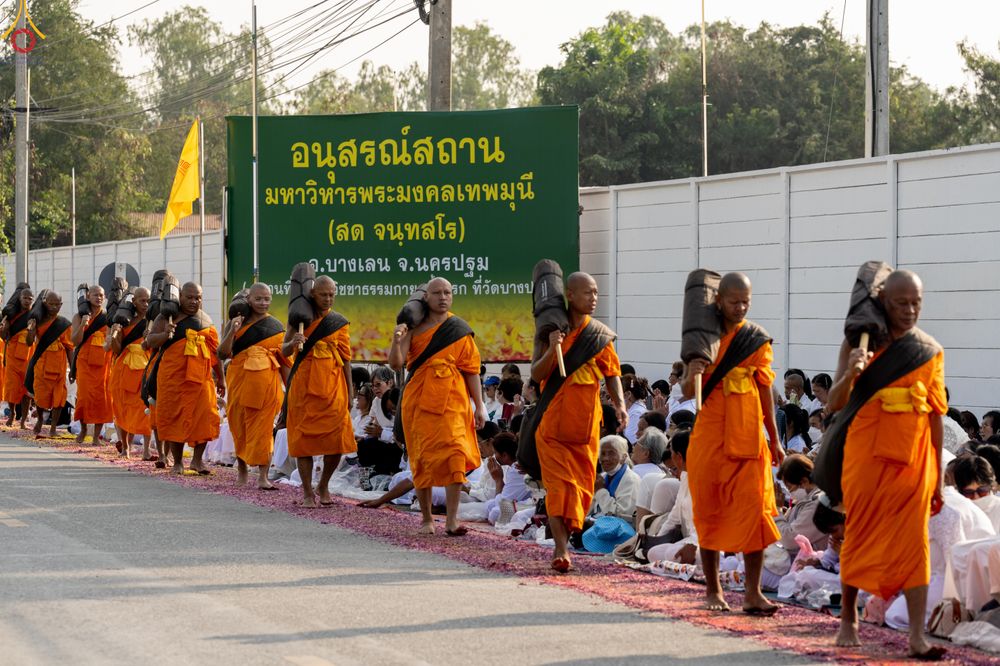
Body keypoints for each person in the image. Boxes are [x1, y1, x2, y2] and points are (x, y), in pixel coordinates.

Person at [826, 270, 947, 660]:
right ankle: (849, 618)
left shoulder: (929, 350)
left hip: (914, 464)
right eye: (901, 303)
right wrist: (851, 373)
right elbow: (834, 404)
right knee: (858, 532)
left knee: (915, 546)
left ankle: (916, 637)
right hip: (866, 460)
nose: (910, 311)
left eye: (917, 303)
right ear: (882, 302)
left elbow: (935, 416)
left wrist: (938, 481)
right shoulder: (859, 342)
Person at [683, 271, 784, 615]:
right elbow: (685, 390)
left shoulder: (755, 339)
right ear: (718, 301)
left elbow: (765, 389)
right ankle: (713, 589)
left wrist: (776, 438)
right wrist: (693, 370)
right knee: (709, 513)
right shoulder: (703, 337)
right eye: (734, 301)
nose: (740, 307)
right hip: (710, 441)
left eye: (746, 301)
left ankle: (753, 593)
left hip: (749, 440)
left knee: (755, 516)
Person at [526, 272, 628, 573]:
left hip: (585, 427)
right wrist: (553, 344)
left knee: (581, 492)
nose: (593, 298)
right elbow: (537, 373)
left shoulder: (599, 335)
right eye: (588, 293)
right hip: (553, 427)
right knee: (559, 489)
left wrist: (620, 404)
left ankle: (565, 541)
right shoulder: (550, 330)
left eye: (596, 293)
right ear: (570, 294)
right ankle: (561, 550)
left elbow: (612, 374)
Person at [390, 277, 485, 536]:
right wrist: (396, 340)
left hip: (453, 402)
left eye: (448, 292)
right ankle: (427, 519)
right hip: (419, 402)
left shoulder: (459, 328)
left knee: (455, 455)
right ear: (426, 298)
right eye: (437, 293)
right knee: (422, 458)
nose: (443, 297)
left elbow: (471, 371)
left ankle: (452, 520)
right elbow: (396, 364)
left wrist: (480, 406)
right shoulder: (414, 328)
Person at [281, 276, 354, 508]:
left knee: (337, 442)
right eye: (324, 294)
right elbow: (282, 351)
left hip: (334, 389)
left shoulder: (339, 322)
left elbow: (346, 360)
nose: (328, 298)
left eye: (332, 294)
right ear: (313, 294)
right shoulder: (299, 318)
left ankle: (323, 484)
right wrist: (293, 343)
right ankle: (306, 493)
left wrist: (350, 392)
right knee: (304, 442)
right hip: (304, 389)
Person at [146, 282, 225, 475]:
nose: (193, 301)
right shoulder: (166, 317)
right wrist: (166, 333)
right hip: (173, 378)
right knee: (175, 418)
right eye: (189, 297)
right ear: (179, 296)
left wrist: (221, 379)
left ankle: (197, 461)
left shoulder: (205, 320)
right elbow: (149, 341)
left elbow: (215, 353)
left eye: (197, 297)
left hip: (202, 378)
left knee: (206, 417)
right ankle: (178, 462)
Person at [218, 283, 288, 491]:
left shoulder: (275, 327)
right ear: (248, 300)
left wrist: (290, 388)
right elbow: (222, 354)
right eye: (258, 299)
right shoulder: (236, 323)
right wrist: (233, 330)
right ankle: (242, 471)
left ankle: (263, 477)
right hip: (240, 382)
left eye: (267, 299)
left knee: (264, 431)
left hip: (267, 386)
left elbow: (284, 361)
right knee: (240, 427)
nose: (263, 303)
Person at [105, 287, 152, 459]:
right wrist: (115, 335)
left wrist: (150, 337)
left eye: (148, 300)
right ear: (134, 301)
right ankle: (126, 447)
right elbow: (117, 349)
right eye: (142, 301)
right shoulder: (124, 320)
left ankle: (147, 450)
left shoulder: (152, 321)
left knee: (145, 409)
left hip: (145, 370)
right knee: (122, 409)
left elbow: (154, 347)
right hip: (123, 370)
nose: (146, 304)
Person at [25, 291, 74, 438]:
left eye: (56, 304)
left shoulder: (64, 324)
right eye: (50, 304)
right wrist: (31, 330)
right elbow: (29, 342)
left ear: (61, 305)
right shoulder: (37, 321)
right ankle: (40, 419)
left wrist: (72, 369)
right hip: (42, 365)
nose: (53, 307)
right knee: (40, 396)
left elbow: (69, 348)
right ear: (45, 303)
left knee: (60, 398)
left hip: (59, 367)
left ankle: (53, 428)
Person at [71, 285, 114, 445]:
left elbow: (110, 343)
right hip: (84, 363)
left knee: (102, 399)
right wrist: (83, 324)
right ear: (88, 297)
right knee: (84, 397)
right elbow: (75, 341)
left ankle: (96, 436)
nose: (99, 298)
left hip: (103, 363)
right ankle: (83, 430)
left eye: (102, 295)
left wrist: (110, 340)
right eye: (95, 295)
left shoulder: (108, 317)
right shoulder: (79, 316)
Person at [2, 287, 35, 428]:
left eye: (30, 298)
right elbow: (4, 337)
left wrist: (31, 329)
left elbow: (33, 338)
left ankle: (23, 419)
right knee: (12, 387)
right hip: (12, 355)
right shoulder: (11, 315)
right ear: (19, 299)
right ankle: (12, 414)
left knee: (26, 389)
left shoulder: (35, 316)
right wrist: (3, 328)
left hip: (28, 355)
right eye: (24, 298)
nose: (27, 301)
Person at [590, 435, 641, 522]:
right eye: (603, 454)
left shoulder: (631, 480)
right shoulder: (603, 476)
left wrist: (600, 491)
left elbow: (620, 515)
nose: (605, 458)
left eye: (611, 453)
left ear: (623, 457)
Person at [953, 454, 1000, 533]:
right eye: (968, 493)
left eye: (982, 490)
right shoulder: (955, 510)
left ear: (991, 486)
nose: (976, 497)